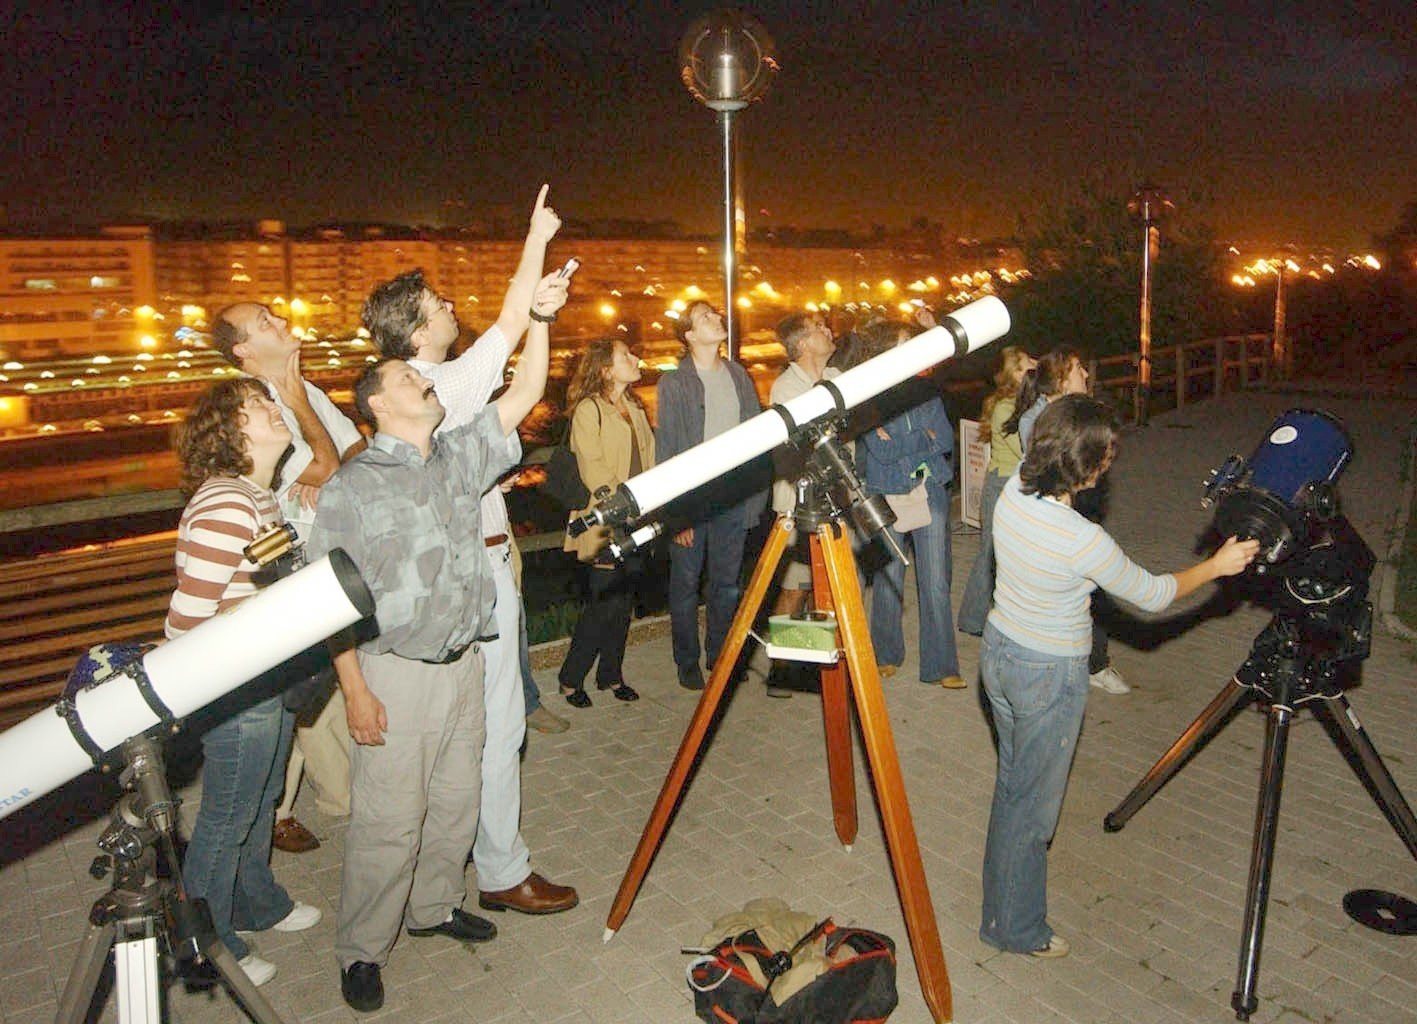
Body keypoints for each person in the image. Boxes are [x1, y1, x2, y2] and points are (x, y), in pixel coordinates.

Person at [306, 324, 559, 1009]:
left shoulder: (457, 456)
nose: (423, 381)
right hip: (395, 674)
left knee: (455, 802)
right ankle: (361, 949)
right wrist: (354, 691)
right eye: (407, 379)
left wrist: (538, 318)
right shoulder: (350, 489)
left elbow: (527, 388)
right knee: (389, 821)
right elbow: (329, 605)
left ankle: (435, 908)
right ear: (377, 405)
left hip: (463, 662)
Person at [979, 394, 1258, 959]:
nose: (1110, 466)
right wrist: (1216, 567)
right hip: (1047, 676)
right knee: (1033, 811)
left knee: (1014, 790)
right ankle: (1016, 929)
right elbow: (1152, 596)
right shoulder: (1082, 538)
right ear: (1085, 466)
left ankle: (999, 909)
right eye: (1105, 457)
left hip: (1001, 654)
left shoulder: (1010, 491)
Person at [166, 378, 324, 987]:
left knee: (260, 801)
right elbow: (188, 620)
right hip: (237, 688)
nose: (273, 409)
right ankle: (210, 946)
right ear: (229, 432)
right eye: (257, 406)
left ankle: (257, 900)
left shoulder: (257, 497)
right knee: (227, 816)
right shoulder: (226, 503)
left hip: (269, 677)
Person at [210, 300, 367, 852]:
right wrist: (299, 401)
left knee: (311, 690)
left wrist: (331, 461)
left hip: (330, 556)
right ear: (243, 351)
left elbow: (358, 453)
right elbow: (326, 466)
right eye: (265, 323)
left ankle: (284, 806)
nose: (281, 322)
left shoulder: (307, 390)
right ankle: (267, 814)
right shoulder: (255, 406)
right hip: (289, 571)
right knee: (297, 691)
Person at [656, 300, 770, 691]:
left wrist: (756, 498)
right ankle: (686, 660)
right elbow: (667, 450)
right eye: (706, 317)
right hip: (693, 502)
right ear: (688, 335)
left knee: (727, 584)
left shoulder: (739, 375)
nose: (717, 318)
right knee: (685, 584)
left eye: (715, 314)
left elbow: (758, 438)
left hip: (734, 499)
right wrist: (676, 514)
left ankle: (720, 655)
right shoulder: (674, 383)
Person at [1011, 349, 1130, 695]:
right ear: (1062, 379)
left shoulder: (1080, 412)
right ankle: (1085, 663)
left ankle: (1093, 660)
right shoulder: (1035, 419)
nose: (1086, 375)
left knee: (1091, 584)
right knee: (1082, 585)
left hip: (1081, 508)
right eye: (1079, 369)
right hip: (1059, 516)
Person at [856, 319, 965, 689]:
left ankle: (942, 665)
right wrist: (923, 437)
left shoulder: (926, 391)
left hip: (929, 488)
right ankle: (886, 654)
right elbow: (880, 451)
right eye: (907, 343)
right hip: (886, 491)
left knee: (935, 581)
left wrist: (912, 439)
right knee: (889, 577)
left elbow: (946, 439)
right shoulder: (869, 397)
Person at [557, 337, 657, 705]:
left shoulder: (633, 405)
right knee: (603, 603)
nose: (636, 357)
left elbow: (649, 460)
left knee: (623, 599)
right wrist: (618, 505)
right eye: (626, 355)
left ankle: (610, 676)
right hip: (604, 519)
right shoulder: (589, 409)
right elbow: (591, 465)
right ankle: (570, 678)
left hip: (636, 515)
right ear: (605, 369)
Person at [763, 312, 838, 697]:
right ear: (804, 345)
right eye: (819, 330)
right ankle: (781, 669)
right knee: (795, 588)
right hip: (799, 498)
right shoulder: (785, 388)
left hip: (833, 496)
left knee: (825, 587)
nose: (828, 332)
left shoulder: (837, 375)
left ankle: (814, 664)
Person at [957, 346, 1036, 636]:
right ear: (1016, 371)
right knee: (989, 552)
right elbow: (1024, 449)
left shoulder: (1022, 402)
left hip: (1014, 483)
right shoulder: (1006, 406)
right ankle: (972, 619)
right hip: (1002, 484)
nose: (1036, 363)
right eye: (1030, 361)